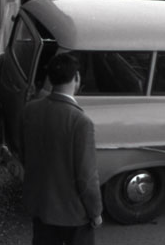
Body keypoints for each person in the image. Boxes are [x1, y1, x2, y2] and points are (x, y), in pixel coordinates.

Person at [20, 53, 103, 245]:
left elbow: (24, 154)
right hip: (73, 213)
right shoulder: (80, 122)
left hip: (40, 206)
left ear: (50, 79)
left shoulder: (30, 110)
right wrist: (95, 212)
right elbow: (86, 176)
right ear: (76, 78)